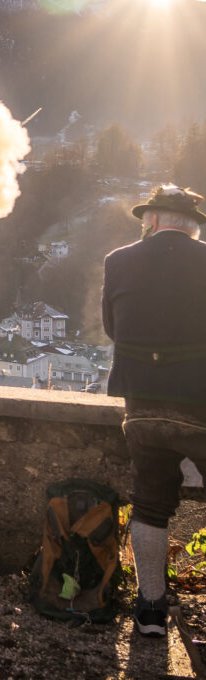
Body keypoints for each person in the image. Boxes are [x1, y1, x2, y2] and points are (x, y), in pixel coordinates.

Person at [102, 184, 206, 637]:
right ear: (193, 225)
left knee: (150, 503)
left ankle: (150, 611)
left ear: (155, 220)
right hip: (200, 402)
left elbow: (112, 327)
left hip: (140, 403)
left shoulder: (117, 260)